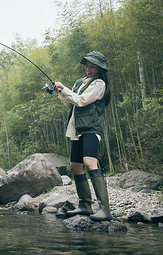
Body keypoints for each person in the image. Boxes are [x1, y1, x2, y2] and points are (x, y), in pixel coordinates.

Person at [54, 51, 112, 222]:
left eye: (93, 66)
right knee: (75, 167)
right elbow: (70, 103)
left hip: (91, 129)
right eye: (87, 65)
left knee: (89, 162)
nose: (89, 69)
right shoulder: (79, 82)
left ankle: (105, 209)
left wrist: (64, 89)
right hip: (76, 129)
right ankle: (85, 205)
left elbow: (81, 101)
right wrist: (60, 92)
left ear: (100, 69)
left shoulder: (99, 84)